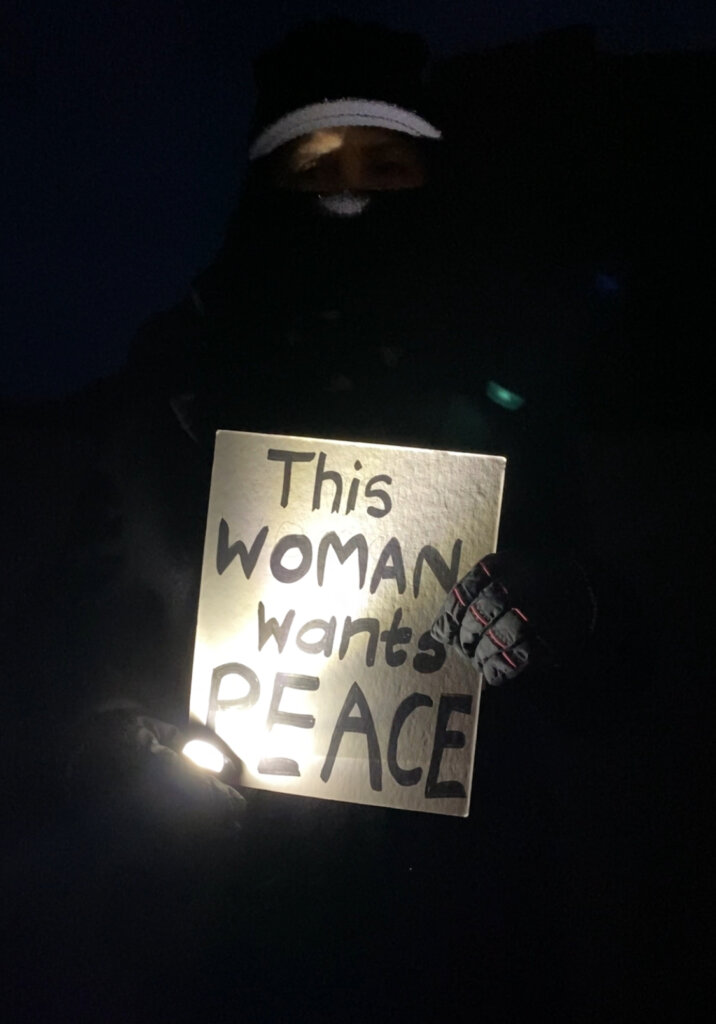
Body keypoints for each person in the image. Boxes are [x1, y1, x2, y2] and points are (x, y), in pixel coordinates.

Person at [6, 19, 647, 1022]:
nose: (346, 190)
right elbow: (75, 633)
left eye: (381, 163)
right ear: (265, 178)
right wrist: (111, 740)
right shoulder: (182, 378)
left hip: (465, 910)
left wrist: (560, 611)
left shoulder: (497, 387)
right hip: (237, 905)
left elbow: (611, 667)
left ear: (426, 176)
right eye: (313, 161)